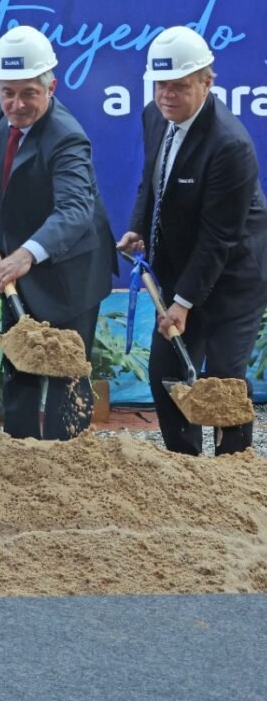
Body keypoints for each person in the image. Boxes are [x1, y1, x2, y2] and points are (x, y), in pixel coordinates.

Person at [0, 25, 115, 441]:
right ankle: (21, 456)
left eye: (29, 93)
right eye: (8, 92)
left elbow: (76, 210)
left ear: (51, 88)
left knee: (66, 375)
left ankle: (65, 464)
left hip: (70, 270)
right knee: (19, 365)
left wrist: (27, 254)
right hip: (17, 262)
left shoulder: (67, 137)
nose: (17, 104)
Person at [117, 27, 267, 456]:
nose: (167, 95)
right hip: (184, 268)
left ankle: (232, 471)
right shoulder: (155, 115)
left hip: (235, 278)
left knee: (222, 381)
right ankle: (184, 467)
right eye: (160, 84)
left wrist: (181, 303)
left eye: (179, 86)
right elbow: (152, 181)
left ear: (207, 81)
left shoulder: (230, 144)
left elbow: (218, 237)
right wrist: (139, 227)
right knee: (166, 372)